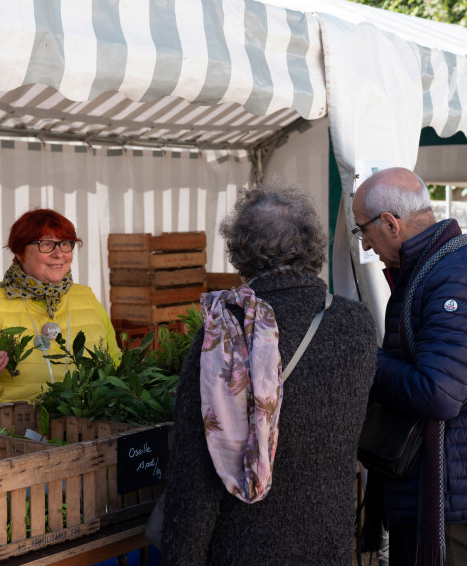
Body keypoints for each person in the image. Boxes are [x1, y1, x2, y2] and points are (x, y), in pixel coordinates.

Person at [161, 182, 378, 565]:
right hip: (328, 540)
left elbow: (196, 476)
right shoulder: (356, 322)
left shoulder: (224, 336)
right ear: (312, 245)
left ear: (240, 252)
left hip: (244, 546)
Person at [352, 167, 467, 566]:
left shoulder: (455, 277)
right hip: (440, 485)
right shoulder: (433, 269)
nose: (366, 243)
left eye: (363, 231)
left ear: (390, 223)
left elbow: (438, 393)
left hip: (451, 494)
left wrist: (363, 359)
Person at [0, 208, 121, 410]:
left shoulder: (87, 298)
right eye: (46, 244)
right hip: (7, 432)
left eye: (65, 244)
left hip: (78, 429)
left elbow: (115, 364)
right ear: (19, 252)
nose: (59, 254)